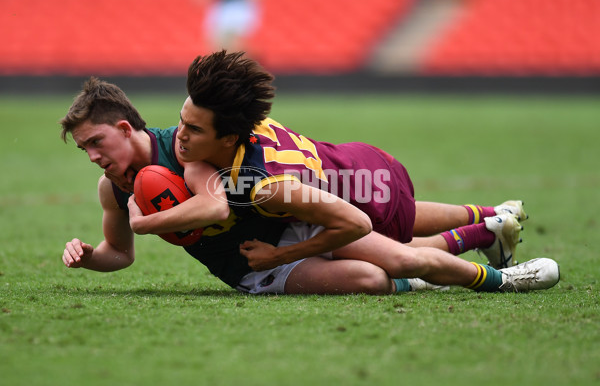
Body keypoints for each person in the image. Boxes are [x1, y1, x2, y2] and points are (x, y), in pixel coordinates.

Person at [132, 49, 560, 293]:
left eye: (193, 128)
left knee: (405, 254)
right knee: (411, 221)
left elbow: (353, 223)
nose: (180, 136)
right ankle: (493, 219)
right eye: (181, 121)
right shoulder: (245, 124)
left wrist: (280, 256)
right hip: (366, 164)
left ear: (228, 138)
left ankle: (504, 278)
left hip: (367, 201)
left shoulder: (265, 187)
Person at [59, 77, 448, 295]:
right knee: (371, 278)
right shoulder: (111, 190)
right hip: (249, 267)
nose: (93, 156)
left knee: (392, 244)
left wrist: (145, 223)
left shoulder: (183, 150)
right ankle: (480, 233)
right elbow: (120, 254)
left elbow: (215, 207)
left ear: (125, 129)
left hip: (288, 226)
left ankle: (480, 232)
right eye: (84, 149)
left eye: (96, 142)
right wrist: (89, 256)